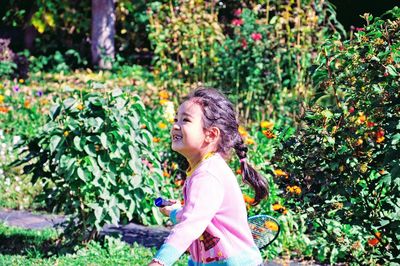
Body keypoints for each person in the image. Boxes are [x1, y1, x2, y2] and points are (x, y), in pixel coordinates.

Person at [149, 87, 269, 266]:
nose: (175, 125)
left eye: (185, 120)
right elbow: (199, 215)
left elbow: (190, 226)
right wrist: (174, 212)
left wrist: (159, 262)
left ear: (211, 135)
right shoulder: (204, 169)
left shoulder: (207, 176)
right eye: (176, 119)